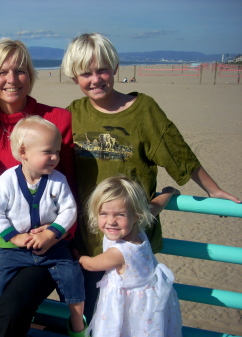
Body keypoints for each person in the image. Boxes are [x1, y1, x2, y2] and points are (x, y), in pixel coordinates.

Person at [61, 32, 241, 320]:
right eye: (85, 73)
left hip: (131, 237)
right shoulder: (74, 113)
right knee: (96, 315)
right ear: (74, 78)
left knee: (133, 314)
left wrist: (214, 189)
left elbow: (178, 154)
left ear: (115, 68)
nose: (95, 79)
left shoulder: (144, 111)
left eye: (102, 69)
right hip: (87, 235)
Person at [0, 38, 75, 337]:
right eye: (2, 71)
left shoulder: (57, 121)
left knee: (10, 313)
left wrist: (56, 233)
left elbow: (72, 187)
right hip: (1, 240)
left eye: (20, 70)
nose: (12, 79)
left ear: (30, 75)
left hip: (47, 242)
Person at [0, 116, 85, 335]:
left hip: (53, 247)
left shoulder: (58, 180)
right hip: (15, 249)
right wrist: (14, 237)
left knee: (72, 274)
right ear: (24, 152)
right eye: (48, 152)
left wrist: (51, 234)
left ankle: (77, 325)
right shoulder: (7, 180)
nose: (54, 157)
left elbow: (69, 210)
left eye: (57, 152)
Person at [77, 175, 182, 336]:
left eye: (120, 215)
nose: (111, 221)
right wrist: (169, 192)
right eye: (103, 213)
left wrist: (77, 256)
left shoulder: (119, 251)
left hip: (129, 307)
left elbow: (91, 264)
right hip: (150, 304)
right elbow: (156, 206)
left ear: (136, 216)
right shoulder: (138, 228)